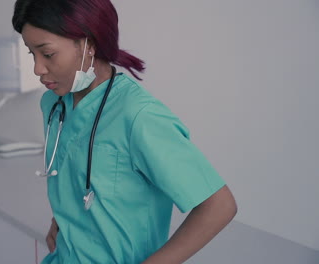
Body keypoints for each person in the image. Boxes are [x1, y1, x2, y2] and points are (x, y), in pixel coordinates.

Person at [12, 0, 237, 263]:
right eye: (32, 54)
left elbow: (219, 206)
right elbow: (83, 182)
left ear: (89, 46)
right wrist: (66, 219)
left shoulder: (139, 116)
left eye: (47, 54)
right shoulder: (54, 104)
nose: (38, 69)